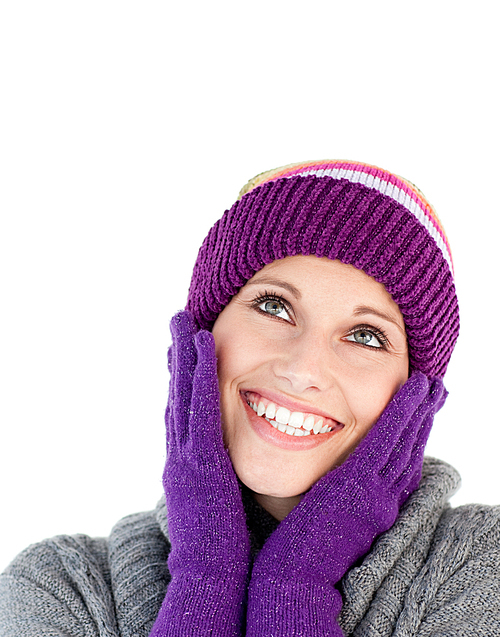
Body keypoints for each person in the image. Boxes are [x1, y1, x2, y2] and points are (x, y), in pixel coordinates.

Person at [1, 160, 499, 636]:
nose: (303, 369)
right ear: (200, 337)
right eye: (273, 306)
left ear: (417, 398)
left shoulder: (482, 565)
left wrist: (294, 585)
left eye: (367, 336)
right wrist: (207, 575)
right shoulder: (59, 588)